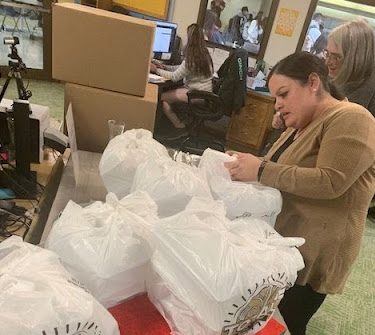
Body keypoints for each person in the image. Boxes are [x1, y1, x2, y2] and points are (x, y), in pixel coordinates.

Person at [224, 52, 375, 335]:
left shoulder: (353, 117)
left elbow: (332, 181)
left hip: (315, 250)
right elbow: (279, 169)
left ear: (313, 83)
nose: (278, 104)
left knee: (287, 323)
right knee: (265, 318)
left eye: (284, 94)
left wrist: (259, 170)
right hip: (289, 241)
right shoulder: (305, 122)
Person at [150, 23, 213, 140]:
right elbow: (181, 68)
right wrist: (164, 67)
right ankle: (179, 127)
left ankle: (179, 128)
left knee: (161, 97)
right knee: (165, 96)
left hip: (196, 94)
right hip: (204, 94)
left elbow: (174, 77)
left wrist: (156, 70)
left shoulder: (193, 57)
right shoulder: (203, 53)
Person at [325, 19, 375, 116]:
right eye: (327, 53)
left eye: (337, 57)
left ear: (356, 57)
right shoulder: (326, 81)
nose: (328, 62)